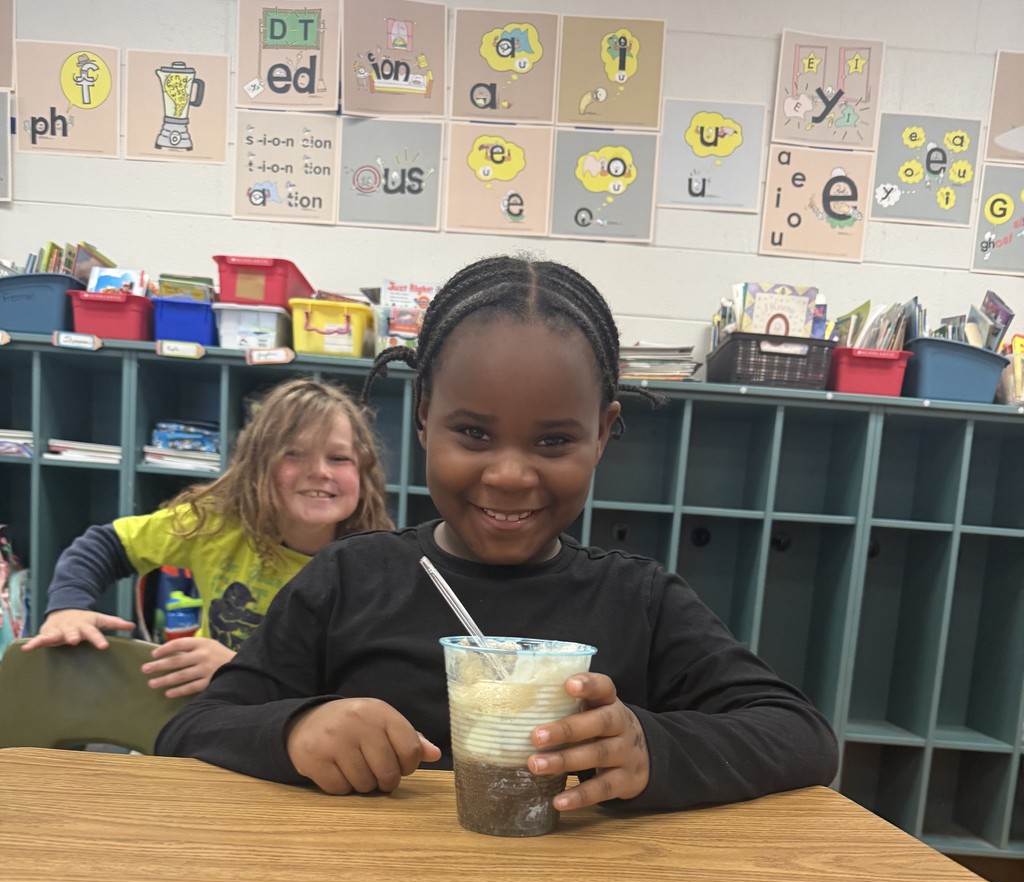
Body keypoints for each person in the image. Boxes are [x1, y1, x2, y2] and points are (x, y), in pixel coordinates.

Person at [157, 255, 838, 815]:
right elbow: (191, 729)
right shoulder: (348, 580)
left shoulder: (641, 600)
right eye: (473, 433)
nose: (510, 475)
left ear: (602, 434)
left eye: (554, 440)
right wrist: (296, 730)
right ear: (424, 417)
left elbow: (802, 735)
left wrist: (649, 749)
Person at [22, 378, 393, 698]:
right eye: (293, 454)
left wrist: (241, 669)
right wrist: (67, 608)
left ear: (364, 473)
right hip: (207, 715)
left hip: (301, 731)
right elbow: (106, 544)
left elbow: (356, 689)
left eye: (339, 458)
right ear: (257, 466)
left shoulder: (373, 567)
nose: (319, 471)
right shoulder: (217, 523)